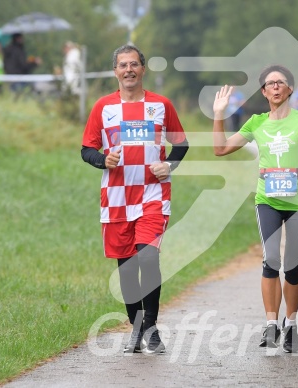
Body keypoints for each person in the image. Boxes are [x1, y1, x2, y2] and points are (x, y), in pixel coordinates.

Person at [212, 65, 298, 353]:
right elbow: (220, 149)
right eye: (270, 83)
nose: (276, 86)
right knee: (271, 259)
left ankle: (291, 324)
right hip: (268, 199)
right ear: (264, 92)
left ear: (289, 90)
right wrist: (218, 114)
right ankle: (270, 324)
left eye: (281, 83)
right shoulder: (256, 122)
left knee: (292, 266)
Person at [81, 44, 189, 355]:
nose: (129, 70)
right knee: (126, 268)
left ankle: (151, 329)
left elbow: (181, 145)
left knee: (148, 257)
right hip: (116, 198)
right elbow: (87, 150)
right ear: (115, 71)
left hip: (153, 195)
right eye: (123, 65)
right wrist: (104, 160)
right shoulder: (103, 107)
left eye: (134, 64)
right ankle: (137, 324)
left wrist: (169, 165)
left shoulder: (161, 105)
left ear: (143, 69)